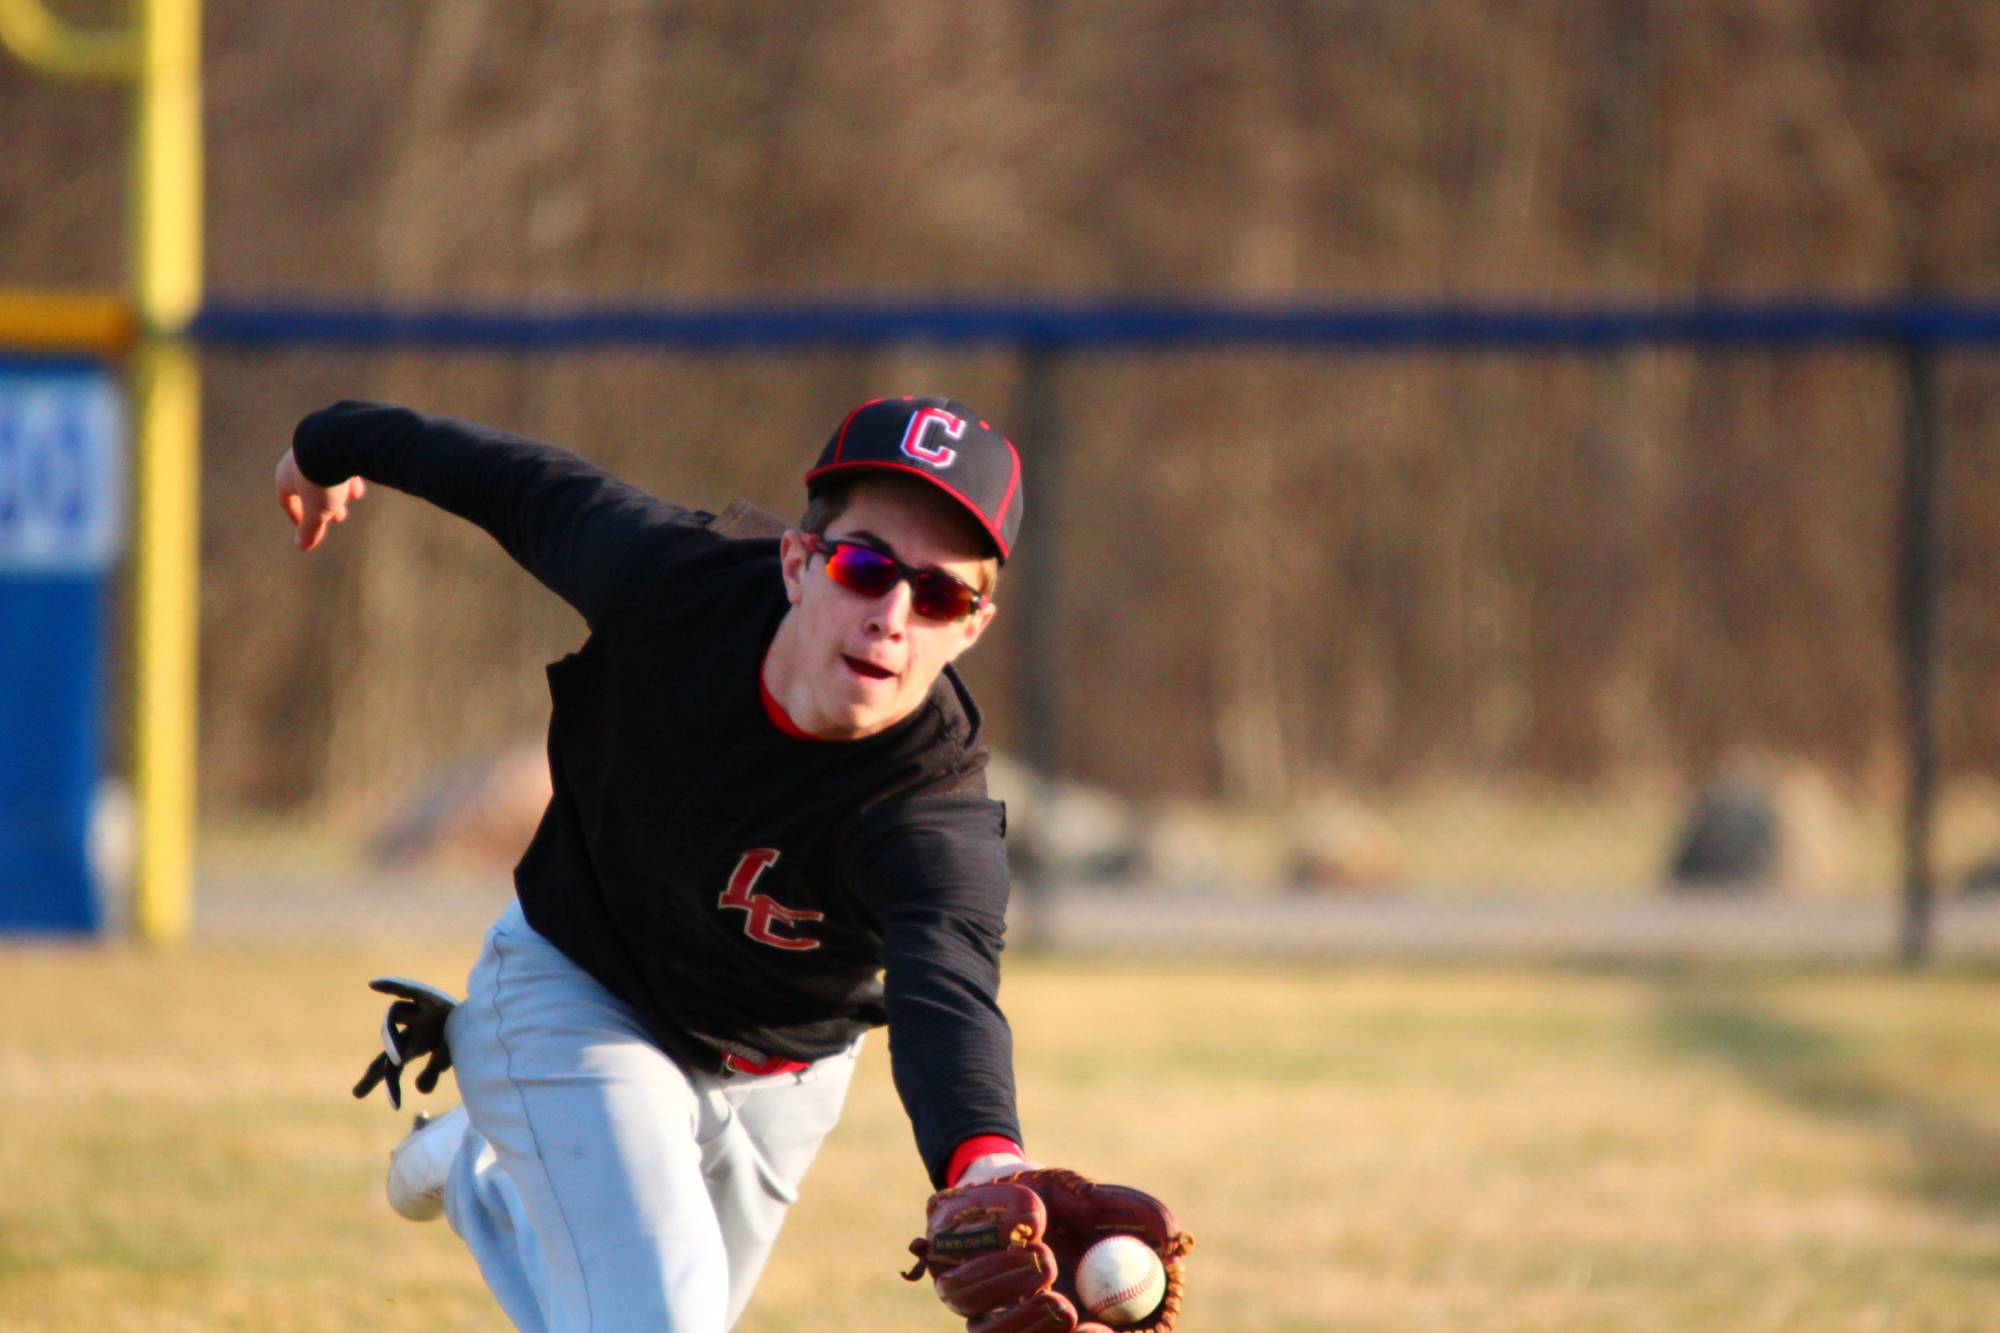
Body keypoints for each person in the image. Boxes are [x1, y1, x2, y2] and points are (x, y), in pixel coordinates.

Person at [275, 395, 1036, 1331]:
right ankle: (521, 1125)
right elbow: (508, 482)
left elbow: (946, 998)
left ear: (973, 625)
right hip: (576, 987)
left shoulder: (932, 809)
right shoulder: (673, 581)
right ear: (798, 563)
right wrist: (323, 445)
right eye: (864, 565)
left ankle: (489, 1167)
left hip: (782, 1075)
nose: (891, 614)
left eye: (940, 593)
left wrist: (988, 1161)